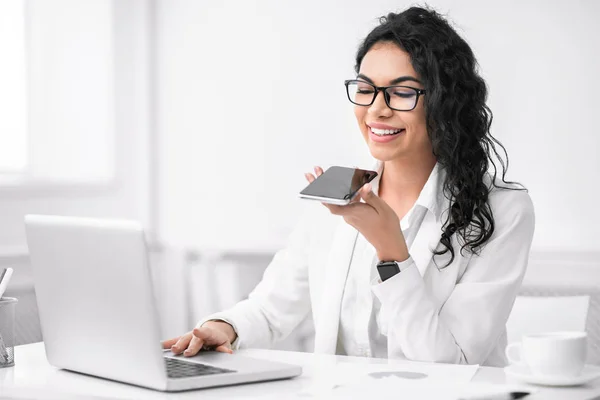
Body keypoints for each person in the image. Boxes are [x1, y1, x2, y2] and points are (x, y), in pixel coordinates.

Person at [161, 6, 535, 367]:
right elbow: (271, 307)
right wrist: (224, 327)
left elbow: (450, 362)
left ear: (445, 102)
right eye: (365, 88)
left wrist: (392, 254)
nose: (376, 109)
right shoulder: (336, 192)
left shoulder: (502, 210)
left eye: (402, 92)